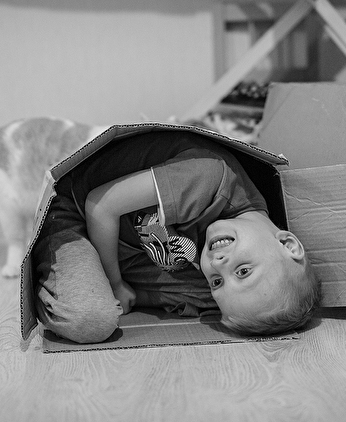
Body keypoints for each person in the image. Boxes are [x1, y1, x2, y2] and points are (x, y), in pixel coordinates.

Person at [31, 130, 320, 344]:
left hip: (126, 244)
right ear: (287, 244)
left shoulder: (227, 244)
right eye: (243, 271)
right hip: (75, 210)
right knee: (91, 321)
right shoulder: (209, 178)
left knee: (213, 298)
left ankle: (129, 289)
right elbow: (99, 205)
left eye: (218, 281)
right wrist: (115, 284)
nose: (218, 263)